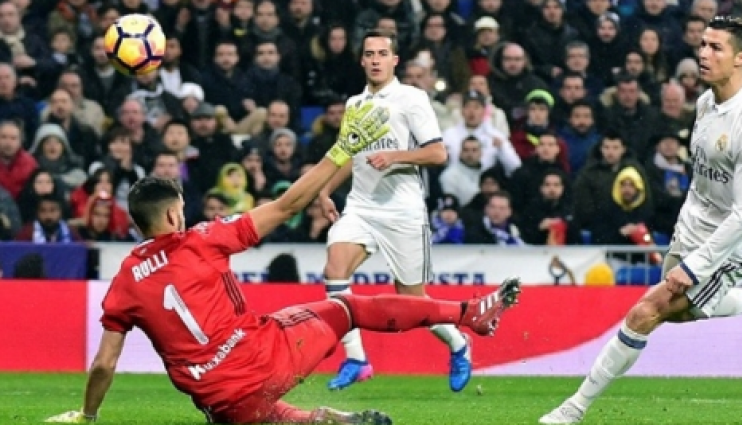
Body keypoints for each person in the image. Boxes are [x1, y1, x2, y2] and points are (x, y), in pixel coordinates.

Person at [44, 101, 522, 424]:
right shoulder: (203, 239)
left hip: (221, 402)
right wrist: (343, 149)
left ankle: (327, 420)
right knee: (349, 308)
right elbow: (289, 204)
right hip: (264, 357)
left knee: (256, 412)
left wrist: (88, 416)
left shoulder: (125, 280)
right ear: (173, 215)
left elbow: (104, 363)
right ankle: (467, 314)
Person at [538, 16, 742, 424]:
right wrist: (686, 232)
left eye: (715, 47)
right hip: (694, 222)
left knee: (646, 312)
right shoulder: (704, 103)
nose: (703, 54)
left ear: (741, 58)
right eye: (702, 44)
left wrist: (696, 264)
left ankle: (572, 409)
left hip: (735, 239)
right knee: (679, 311)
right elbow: (702, 178)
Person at [315, 29, 466, 392]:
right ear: (362, 60)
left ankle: (459, 345)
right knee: (335, 269)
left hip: (403, 210)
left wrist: (395, 156)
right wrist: (325, 189)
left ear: (394, 60)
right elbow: (350, 155)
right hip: (361, 207)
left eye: (383, 53)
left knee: (413, 301)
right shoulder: (354, 104)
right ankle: (357, 359)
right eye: (370, 54)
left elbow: (437, 153)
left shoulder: (412, 98)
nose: (376, 60)